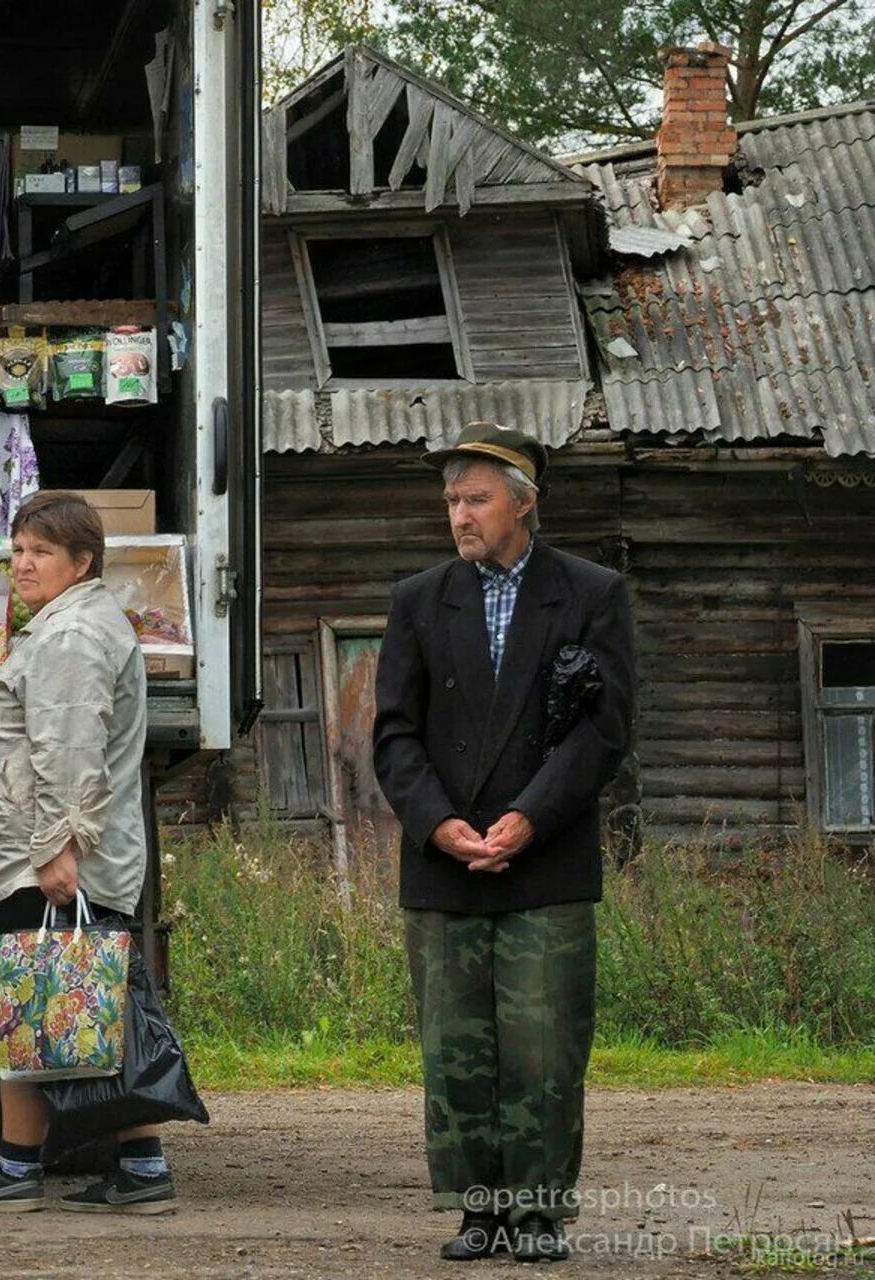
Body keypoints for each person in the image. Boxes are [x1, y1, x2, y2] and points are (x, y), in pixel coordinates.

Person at [372, 422, 635, 1263]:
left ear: (524, 503)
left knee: (545, 1046)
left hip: (546, 860)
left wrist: (528, 817)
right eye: (450, 499)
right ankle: (477, 1210)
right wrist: (439, 824)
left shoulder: (592, 594)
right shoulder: (419, 600)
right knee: (457, 1050)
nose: (459, 514)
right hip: (445, 863)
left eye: (475, 497)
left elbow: (605, 730)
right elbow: (393, 736)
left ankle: (539, 1212)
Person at [0, 492, 176, 1216]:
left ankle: (15, 1172)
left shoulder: (72, 636)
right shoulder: (68, 624)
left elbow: (68, 750)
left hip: (39, 860)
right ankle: (140, 1166)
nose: (24, 562)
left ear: (82, 562)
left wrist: (56, 850)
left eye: (42, 550)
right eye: (19, 547)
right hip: (37, 854)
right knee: (74, 1012)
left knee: (36, 1009)